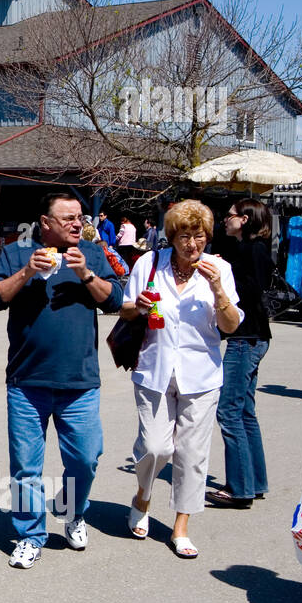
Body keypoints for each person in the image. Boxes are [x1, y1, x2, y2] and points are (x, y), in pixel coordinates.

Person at [0, 193, 124, 568]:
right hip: (26, 381)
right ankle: (30, 535)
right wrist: (28, 271)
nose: (78, 224)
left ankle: (72, 511)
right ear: (45, 223)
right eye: (68, 219)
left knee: (86, 457)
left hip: (79, 381)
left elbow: (114, 302)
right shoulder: (18, 252)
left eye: (79, 217)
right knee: (26, 467)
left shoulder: (92, 254)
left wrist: (85, 274)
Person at [120, 200, 242, 559]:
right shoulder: (149, 263)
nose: (192, 244)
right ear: (172, 237)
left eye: (199, 236)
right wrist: (139, 305)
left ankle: (181, 525)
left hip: (201, 375)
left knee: (191, 453)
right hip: (154, 369)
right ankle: (143, 495)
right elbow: (126, 309)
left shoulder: (219, 268)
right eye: (185, 236)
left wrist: (218, 288)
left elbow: (231, 325)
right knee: (157, 447)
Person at [209, 199, 275, 509]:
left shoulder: (253, 250)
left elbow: (249, 291)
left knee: (229, 410)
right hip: (254, 336)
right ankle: (255, 481)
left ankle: (239, 487)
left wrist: (222, 277)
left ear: (245, 219)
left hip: (245, 338)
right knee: (245, 410)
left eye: (231, 215)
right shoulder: (251, 250)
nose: (226, 219)